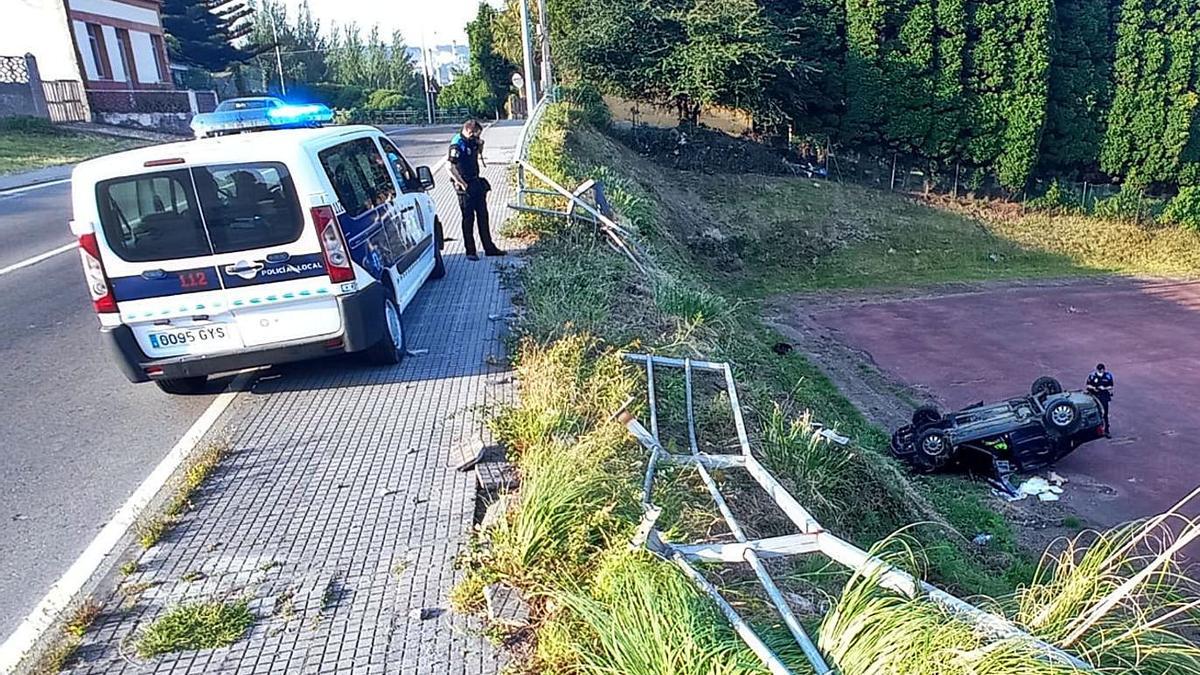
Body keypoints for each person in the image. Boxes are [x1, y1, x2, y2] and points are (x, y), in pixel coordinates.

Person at [448, 120, 505, 261]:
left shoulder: (472, 141)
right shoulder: (457, 144)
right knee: (468, 218)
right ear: (469, 131)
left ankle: (489, 248)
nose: (477, 138)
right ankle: (470, 251)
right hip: (464, 185)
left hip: (475, 181)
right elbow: (449, 167)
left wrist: (480, 146)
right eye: (476, 135)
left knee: (483, 216)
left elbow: (478, 153)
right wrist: (461, 183)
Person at [1086, 363, 1114, 438]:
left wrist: (1104, 388)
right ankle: (1095, 430)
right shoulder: (1092, 376)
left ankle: (1106, 430)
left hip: (1104, 396)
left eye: (1101, 370)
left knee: (1104, 413)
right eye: (1099, 370)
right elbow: (1088, 385)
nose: (1101, 371)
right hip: (1094, 396)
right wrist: (1093, 388)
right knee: (1094, 413)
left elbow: (1111, 386)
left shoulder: (1108, 376)